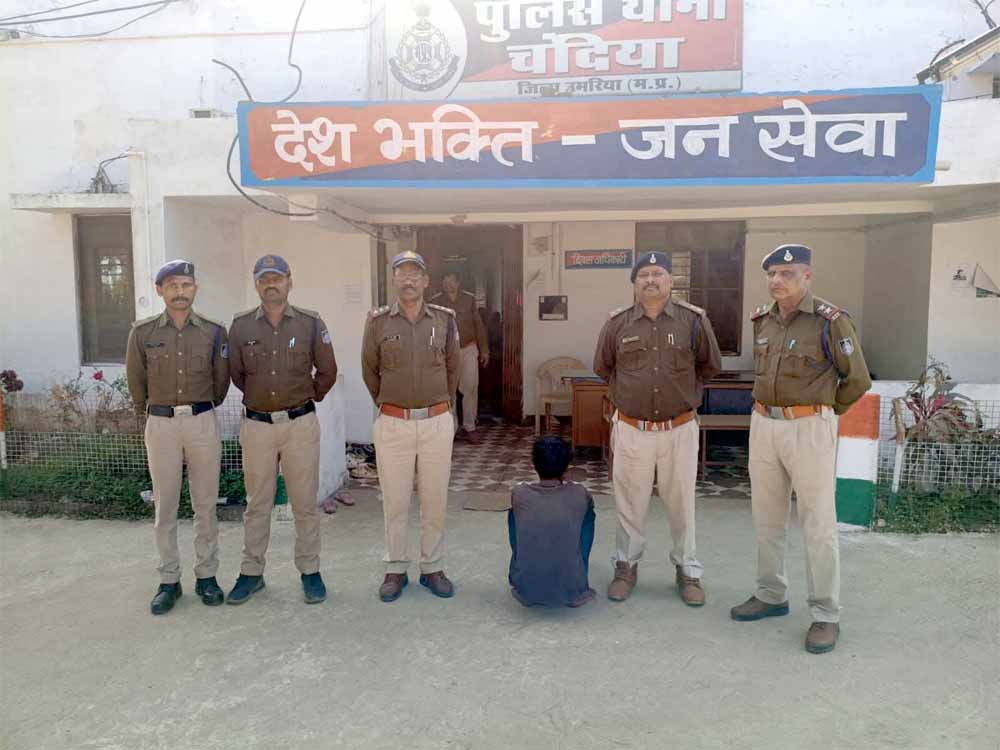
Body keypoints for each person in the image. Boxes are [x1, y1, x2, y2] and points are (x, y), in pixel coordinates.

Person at [730, 244, 871, 655]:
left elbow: (857, 379)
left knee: (817, 523)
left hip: (809, 427)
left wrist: (824, 412)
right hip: (764, 424)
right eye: (772, 273)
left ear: (807, 276)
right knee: (766, 517)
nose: (777, 280)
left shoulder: (830, 321)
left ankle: (826, 613)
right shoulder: (762, 319)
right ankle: (771, 593)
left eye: (787, 273)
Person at [594, 251, 722, 605]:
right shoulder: (618, 323)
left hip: (679, 428)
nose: (650, 280)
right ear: (634, 283)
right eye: (643, 274)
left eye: (657, 273)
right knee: (629, 503)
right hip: (632, 428)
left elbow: (709, 366)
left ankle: (687, 571)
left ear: (670, 279)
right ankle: (626, 567)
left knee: (682, 504)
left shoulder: (693, 321)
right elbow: (604, 367)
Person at [226, 254, 338, 606]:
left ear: (290, 281)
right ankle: (251, 573)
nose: (271, 284)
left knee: (304, 503)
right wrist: (263, 399)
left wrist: (305, 397)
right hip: (257, 426)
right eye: (264, 279)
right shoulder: (241, 326)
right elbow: (236, 374)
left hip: (299, 425)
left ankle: (310, 571)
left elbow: (328, 370)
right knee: (257, 504)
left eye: (277, 278)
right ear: (256, 284)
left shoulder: (309, 323)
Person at [125, 260, 230, 615]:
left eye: (186, 285)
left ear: (195, 288)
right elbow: (136, 383)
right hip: (161, 424)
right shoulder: (142, 333)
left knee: (205, 503)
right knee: (165, 504)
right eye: (172, 286)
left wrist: (201, 408)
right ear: (160, 291)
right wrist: (155, 412)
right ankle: (169, 580)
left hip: (201, 421)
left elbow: (221, 382)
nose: (180, 292)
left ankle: (207, 576)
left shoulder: (214, 332)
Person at [362, 251, 460, 602]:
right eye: (401, 274)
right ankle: (396, 568)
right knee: (395, 500)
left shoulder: (445, 320)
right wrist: (390, 403)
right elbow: (369, 370)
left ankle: (432, 567)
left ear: (425, 281)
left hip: (435, 422)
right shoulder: (377, 322)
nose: (408, 280)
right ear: (393, 280)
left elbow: (453, 369)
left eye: (414, 274)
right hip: (393, 423)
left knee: (434, 499)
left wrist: (441, 406)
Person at [507, 436, 596, 608]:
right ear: (567, 467)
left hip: (525, 589)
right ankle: (577, 587)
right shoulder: (579, 493)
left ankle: (522, 574)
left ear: (534, 464)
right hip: (571, 588)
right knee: (587, 514)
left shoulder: (519, 492)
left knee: (514, 515)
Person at [429, 270, 489, 444]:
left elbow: (478, 324)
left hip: (468, 348)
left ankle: (470, 427)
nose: (448, 285)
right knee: (449, 391)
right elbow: (431, 329)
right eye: (445, 281)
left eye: (451, 281)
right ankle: (451, 428)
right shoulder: (435, 302)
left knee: (470, 387)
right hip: (446, 352)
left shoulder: (468, 299)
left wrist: (484, 349)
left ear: (458, 282)